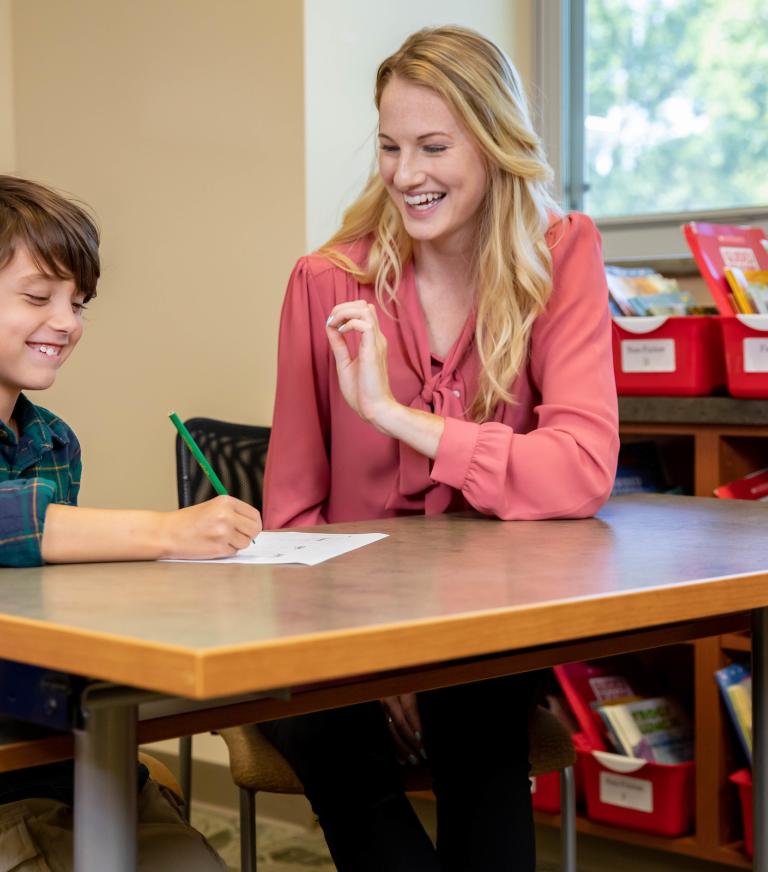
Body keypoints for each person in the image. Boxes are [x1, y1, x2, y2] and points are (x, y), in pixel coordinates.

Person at [261, 25, 619, 872]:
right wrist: (376, 660)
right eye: (389, 147)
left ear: (495, 144)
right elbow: (294, 515)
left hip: (480, 632)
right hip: (341, 631)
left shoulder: (560, 255)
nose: (405, 174)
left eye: (432, 146)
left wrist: (395, 414)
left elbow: (580, 469)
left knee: (481, 716)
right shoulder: (326, 282)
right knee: (329, 730)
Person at [0, 174, 262, 870]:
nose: (67, 321)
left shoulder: (54, 441)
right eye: (37, 297)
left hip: (66, 748)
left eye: (78, 303)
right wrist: (169, 531)